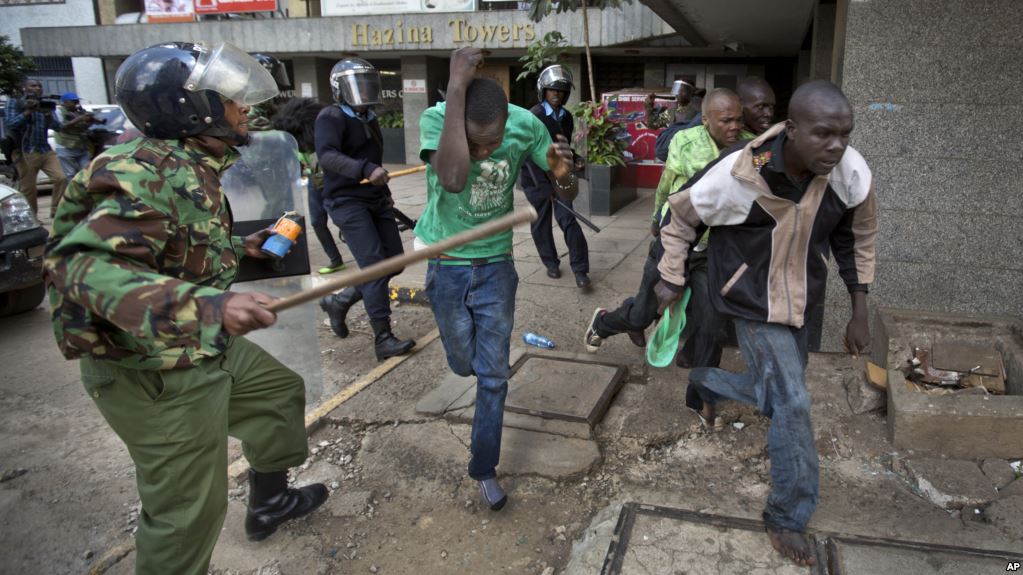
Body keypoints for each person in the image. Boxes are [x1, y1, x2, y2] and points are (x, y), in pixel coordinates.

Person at [42, 41, 329, 575]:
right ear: (189, 110)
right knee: (186, 513)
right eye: (230, 99)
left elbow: (169, 244)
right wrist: (212, 305)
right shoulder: (139, 172)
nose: (244, 108)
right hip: (150, 370)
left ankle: (269, 501)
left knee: (278, 396)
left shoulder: (192, 164)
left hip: (197, 345)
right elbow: (79, 269)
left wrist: (239, 248)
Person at [654, 80, 877, 566]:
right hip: (750, 300)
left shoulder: (849, 173)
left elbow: (857, 236)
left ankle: (706, 380)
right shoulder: (738, 173)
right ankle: (786, 516)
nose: (837, 146)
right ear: (791, 130)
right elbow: (680, 215)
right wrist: (671, 275)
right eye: (824, 134)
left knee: (779, 396)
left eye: (845, 134)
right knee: (793, 402)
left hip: (802, 300)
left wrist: (859, 307)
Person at [417, 47, 576, 511]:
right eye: (476, 144)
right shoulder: (437, 119)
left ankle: (484, 466)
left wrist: (565, 173)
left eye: (493, 143)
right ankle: (468, 365)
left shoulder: (527, 125)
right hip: (446, 263)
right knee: (464, 363)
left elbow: (567, 189)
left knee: (492, 376)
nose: (486, 152)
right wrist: (457, 87)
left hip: (496, 268)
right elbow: (450, 178)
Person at [583, 88, 745, 373]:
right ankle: (604, 322)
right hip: (674, 244)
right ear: (706, 120)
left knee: (711, 324)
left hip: (711, 252)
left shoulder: (749, 148)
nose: (735, 127)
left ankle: (702, 395)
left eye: (739, 120)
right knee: (641, 314)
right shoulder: (684, 141)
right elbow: (666, 185)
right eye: (726, 120)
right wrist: (657, 219)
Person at [316, 57, 415, 361]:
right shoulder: (330, 117)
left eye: (366, 85)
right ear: (339, 89)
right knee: (374, 267)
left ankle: (340, 300)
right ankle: (383, 338)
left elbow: (375, 159)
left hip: (374, 199)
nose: (362, 92)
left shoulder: (369, 117)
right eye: (355, 86)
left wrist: (383, 191)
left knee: (394, 263)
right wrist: (365, 168)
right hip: (346, 201)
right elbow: (327, 156)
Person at [519, 65, 591, 288]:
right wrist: (543, 187)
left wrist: (576, 157)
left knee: (567, 219)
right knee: (541, 221)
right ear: (543, 91)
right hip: (535, 178)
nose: (557, 94)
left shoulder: (567, 117)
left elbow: (563, 146)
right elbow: (528, 154)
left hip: (559, 175)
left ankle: (580, 269)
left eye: (561, 90)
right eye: (552, 90)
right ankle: (550, 263)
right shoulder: (533, 116)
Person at [272, 97, 347, 275]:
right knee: (317, 222)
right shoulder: (293, 139)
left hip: (334, 178)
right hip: (315, 179)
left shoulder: (322, 133)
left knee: (343, 218)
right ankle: (335, 260)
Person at [3, 78, 67, 217]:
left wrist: (49, 116)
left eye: (39, 86)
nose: (37, 88)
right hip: (25, 151)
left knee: (61, 178)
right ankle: (32, 218)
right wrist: (28, 112)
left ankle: (56, 212)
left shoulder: (45, 104)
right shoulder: (15, 102)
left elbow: (57, 127)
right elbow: (10, 124)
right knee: (29, 188)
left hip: (45, 149)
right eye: (33, 86)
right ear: (24, 88)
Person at [54, 92, 100, 182]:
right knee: (70, 174)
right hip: (66, 147)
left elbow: (83, 127)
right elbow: (61, 126)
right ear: (65, 102)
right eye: (74, 102)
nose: (76, 104)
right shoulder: (59, 111)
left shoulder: (78, 112)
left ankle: (86, 192)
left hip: (80, 146)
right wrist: (79, 118)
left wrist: (90, 120)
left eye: (77, 101)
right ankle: (72, 194)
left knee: (87, 170)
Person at [652, 80, 697, 162]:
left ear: (689, 93)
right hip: (670, 156)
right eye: (677, 90)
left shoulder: (695, 112)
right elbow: (653, 124)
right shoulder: (671, 111)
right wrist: (648, 107)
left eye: (682, 90)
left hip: (688, 157)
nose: (677, 94)